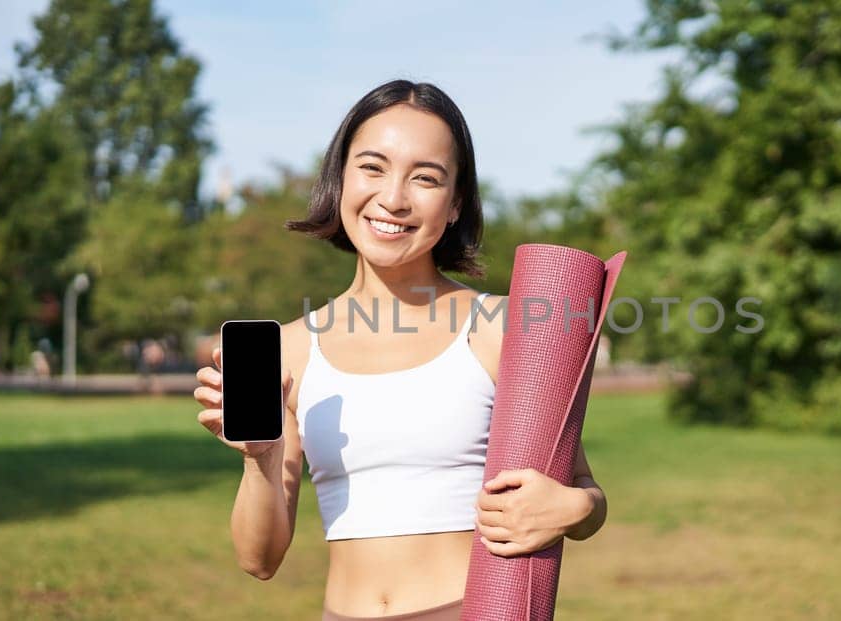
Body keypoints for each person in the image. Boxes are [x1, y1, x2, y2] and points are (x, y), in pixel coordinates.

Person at [191, 79, 608, 620]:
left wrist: (574, 508)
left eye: (426, 178)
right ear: (341, 178)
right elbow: (259, 557)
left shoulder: (501, 328)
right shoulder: (291, 349)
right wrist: (261, 459)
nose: (393, 197)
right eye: (372, 167)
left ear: (455, 203)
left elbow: (583, 491)